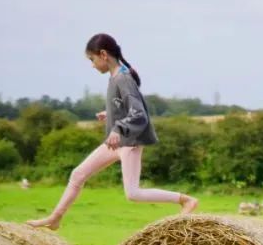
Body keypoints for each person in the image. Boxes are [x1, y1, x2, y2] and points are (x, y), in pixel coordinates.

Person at [27, 33, 197, 230]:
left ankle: (186, 200)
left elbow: (139, 113)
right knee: (78, 174)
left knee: (132, 193)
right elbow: (127, 107)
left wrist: (117, 127)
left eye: (92, 59)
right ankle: (55, 218)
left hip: (129, 143)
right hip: (115, 143)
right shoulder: (116, 76)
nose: (92, 65)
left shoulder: (123, 79)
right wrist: (111, 114)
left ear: (103, 54)